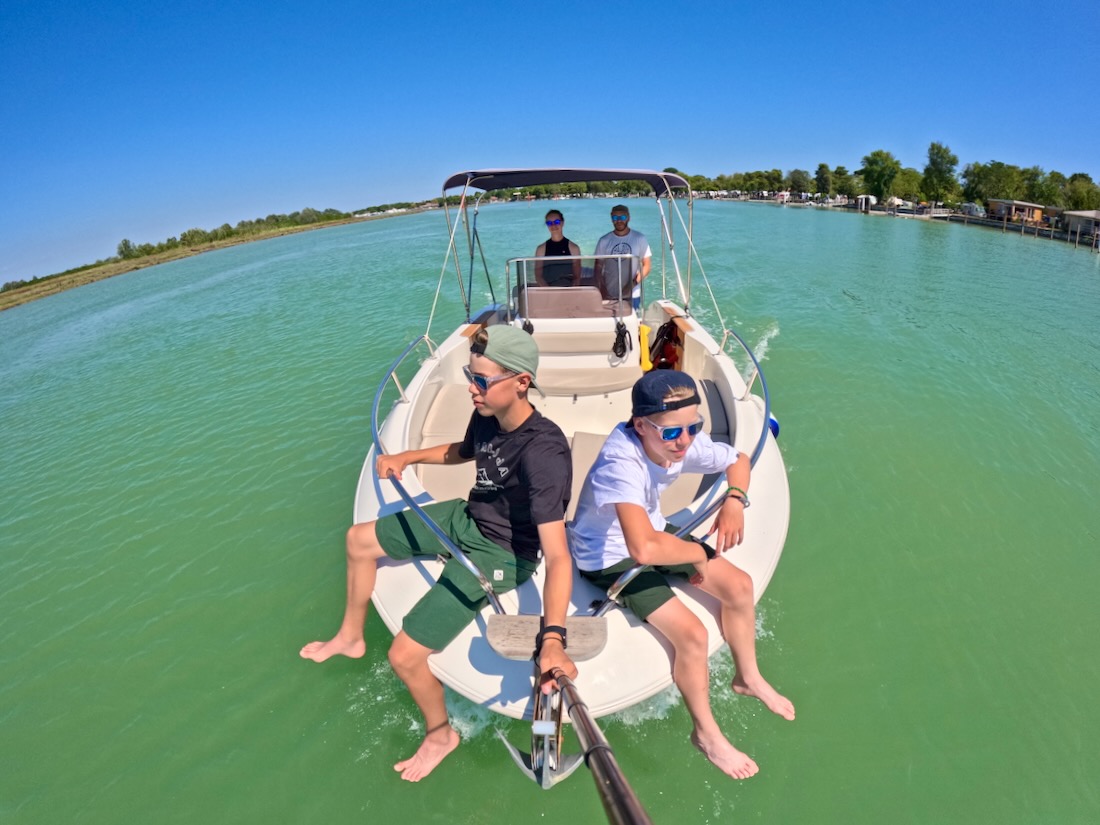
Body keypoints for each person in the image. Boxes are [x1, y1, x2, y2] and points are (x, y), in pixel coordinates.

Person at [300, 325, 577, 782]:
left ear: (522, 382)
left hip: (503, 553)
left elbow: (558, 556)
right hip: (466, 517)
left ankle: (440, 734)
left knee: (404, 657)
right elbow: (463, 452)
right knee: (357, 540)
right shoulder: (488, 412)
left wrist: (553, 638)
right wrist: (408, 458)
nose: (471, 387)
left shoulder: (544, 452)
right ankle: (350, 637)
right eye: (471, 376)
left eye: (482, 381)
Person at [568, 370, 794, 780]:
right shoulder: (620, 463)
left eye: (695, 427)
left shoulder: (678, 437)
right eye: (672, 433)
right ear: (640, 426)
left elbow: (737, 461)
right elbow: (643, 550)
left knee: (739, 587)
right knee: (693, 635)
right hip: (607, 557)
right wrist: (699, 556)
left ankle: (748, 676)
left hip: (651, 532)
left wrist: (735, 498)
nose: (685, 441)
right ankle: (706, 734)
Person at [593, 204, 651, 309]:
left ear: (628, 217)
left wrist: (633, 284)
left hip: (633, 294)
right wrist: (602, 289)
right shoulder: (604, 241)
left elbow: (646, 266)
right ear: (611, 218)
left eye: (622, 217)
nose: (619, 221)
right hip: (608, 294)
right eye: (615, 217)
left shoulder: (640, 239)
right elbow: (598, 267)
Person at [534, 209, 582, 287]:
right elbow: (538, 276)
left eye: (556, 222)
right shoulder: (541, 249)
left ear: (562, 223)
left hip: (569, 291)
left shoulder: (574, 248)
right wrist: (549, 292)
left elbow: (577, 277)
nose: (553, 226)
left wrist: (570, 292)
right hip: (548, 293)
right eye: (549, 223)